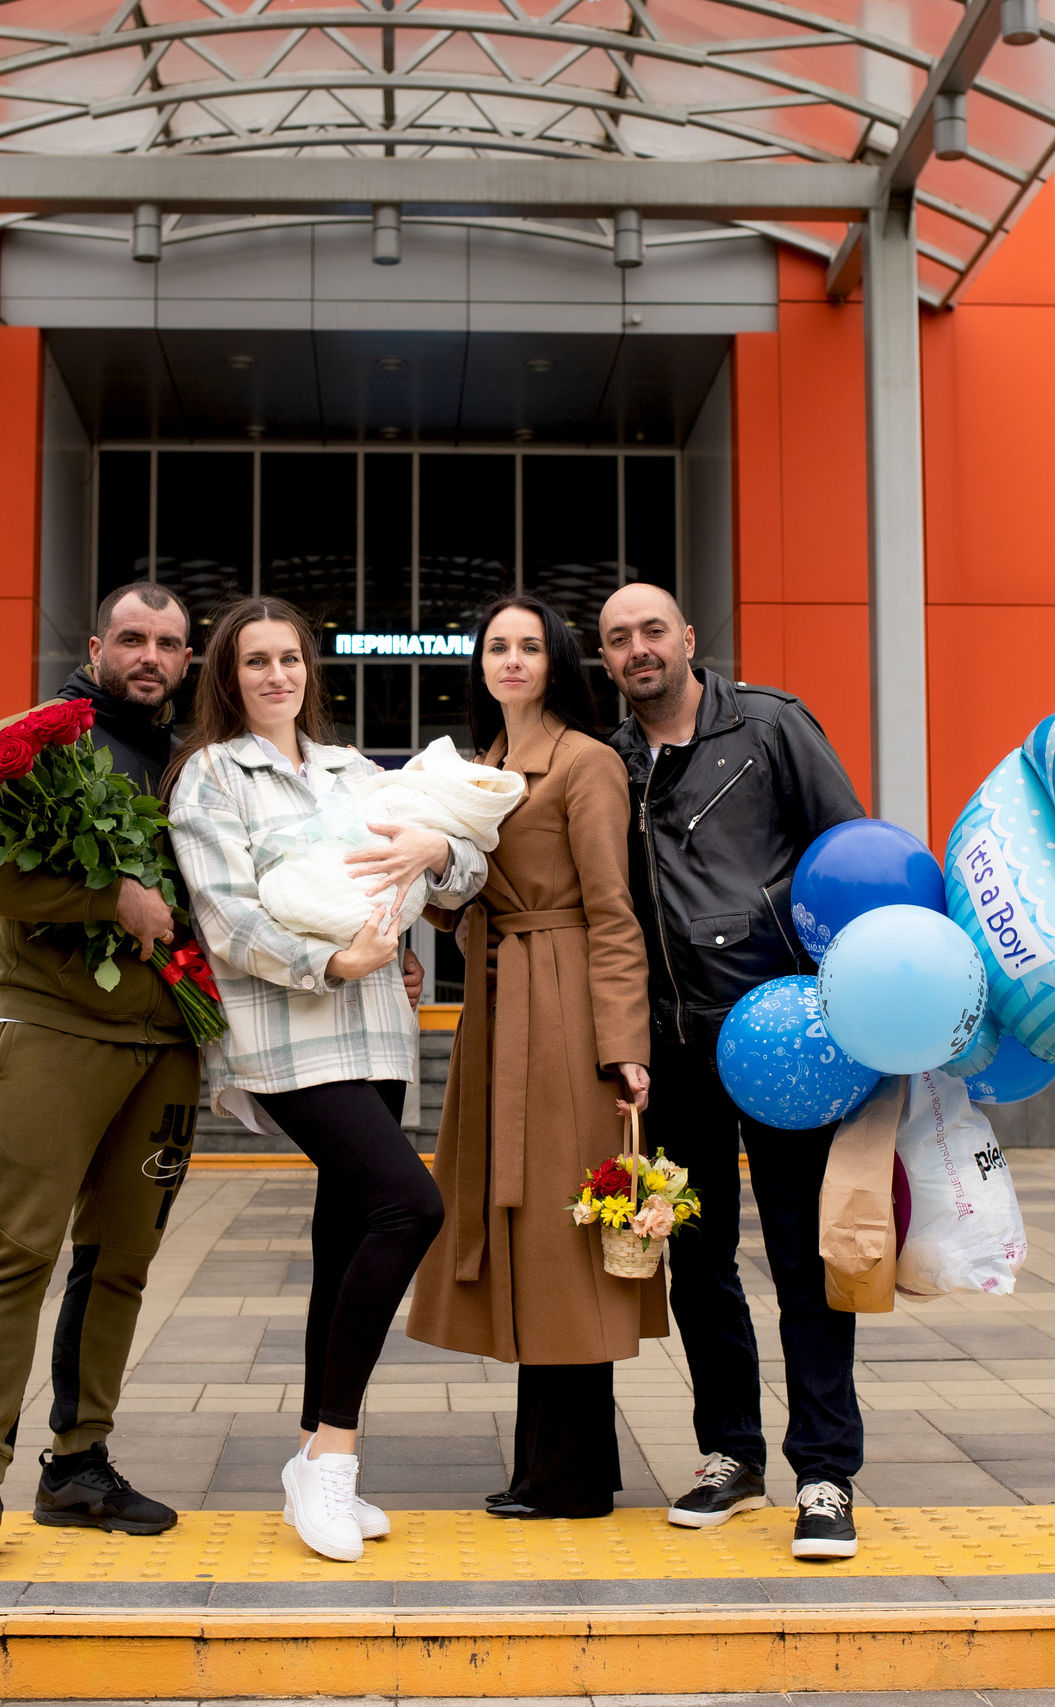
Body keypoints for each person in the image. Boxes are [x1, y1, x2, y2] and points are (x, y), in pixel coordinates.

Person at [166, 596, 486, 1564]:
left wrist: (439, 849)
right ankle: (335, 1455)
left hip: (379, 1033)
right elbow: (227, 918)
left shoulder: (356, 771)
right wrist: (333, 961)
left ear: (311, 671)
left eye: (290, 659)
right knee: (410, 1208)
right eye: (254, 661)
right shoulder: (211, 776)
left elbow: (460, 873)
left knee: (346, 1241)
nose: (276, 676)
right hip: (288, 1033)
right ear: (227, 678)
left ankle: (312, 1449)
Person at [0, 582, 205, 1575]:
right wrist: (109, 896)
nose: (149, 656)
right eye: (132, 638)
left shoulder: (194, 760)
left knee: (121, 1259)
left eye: (167, 643)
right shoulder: (36, 741)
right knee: (16, 1254)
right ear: (96, 647)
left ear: (186, 660)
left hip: (167, 1041)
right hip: (54, 1026)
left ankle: (79, 1462)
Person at [597, 582, 868, 1563]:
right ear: (607, 658)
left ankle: (826, 1472)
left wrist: (848, 1002)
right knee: (697, 1259)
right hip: (673, 1048)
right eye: (618, 638)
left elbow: (849, 850)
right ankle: (732, 1454)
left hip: (785, 1034)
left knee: (802, 1256)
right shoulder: (612, 761)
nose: (638, 649)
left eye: (651, 630)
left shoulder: (769, 725)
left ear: (686, 638)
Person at [408, 595, 658, 1520]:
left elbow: (612, 907)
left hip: (562, 1009)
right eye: (495, 647)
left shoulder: (586, 762)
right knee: (518, 1230)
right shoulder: (476, 768)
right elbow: (455, 903)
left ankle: (570, 1475)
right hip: (495, 1006)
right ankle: (549, 1467)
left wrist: (623, 1045)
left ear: (555, 661)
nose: (511, 659)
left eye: (529, 646)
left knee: (564, 1236)